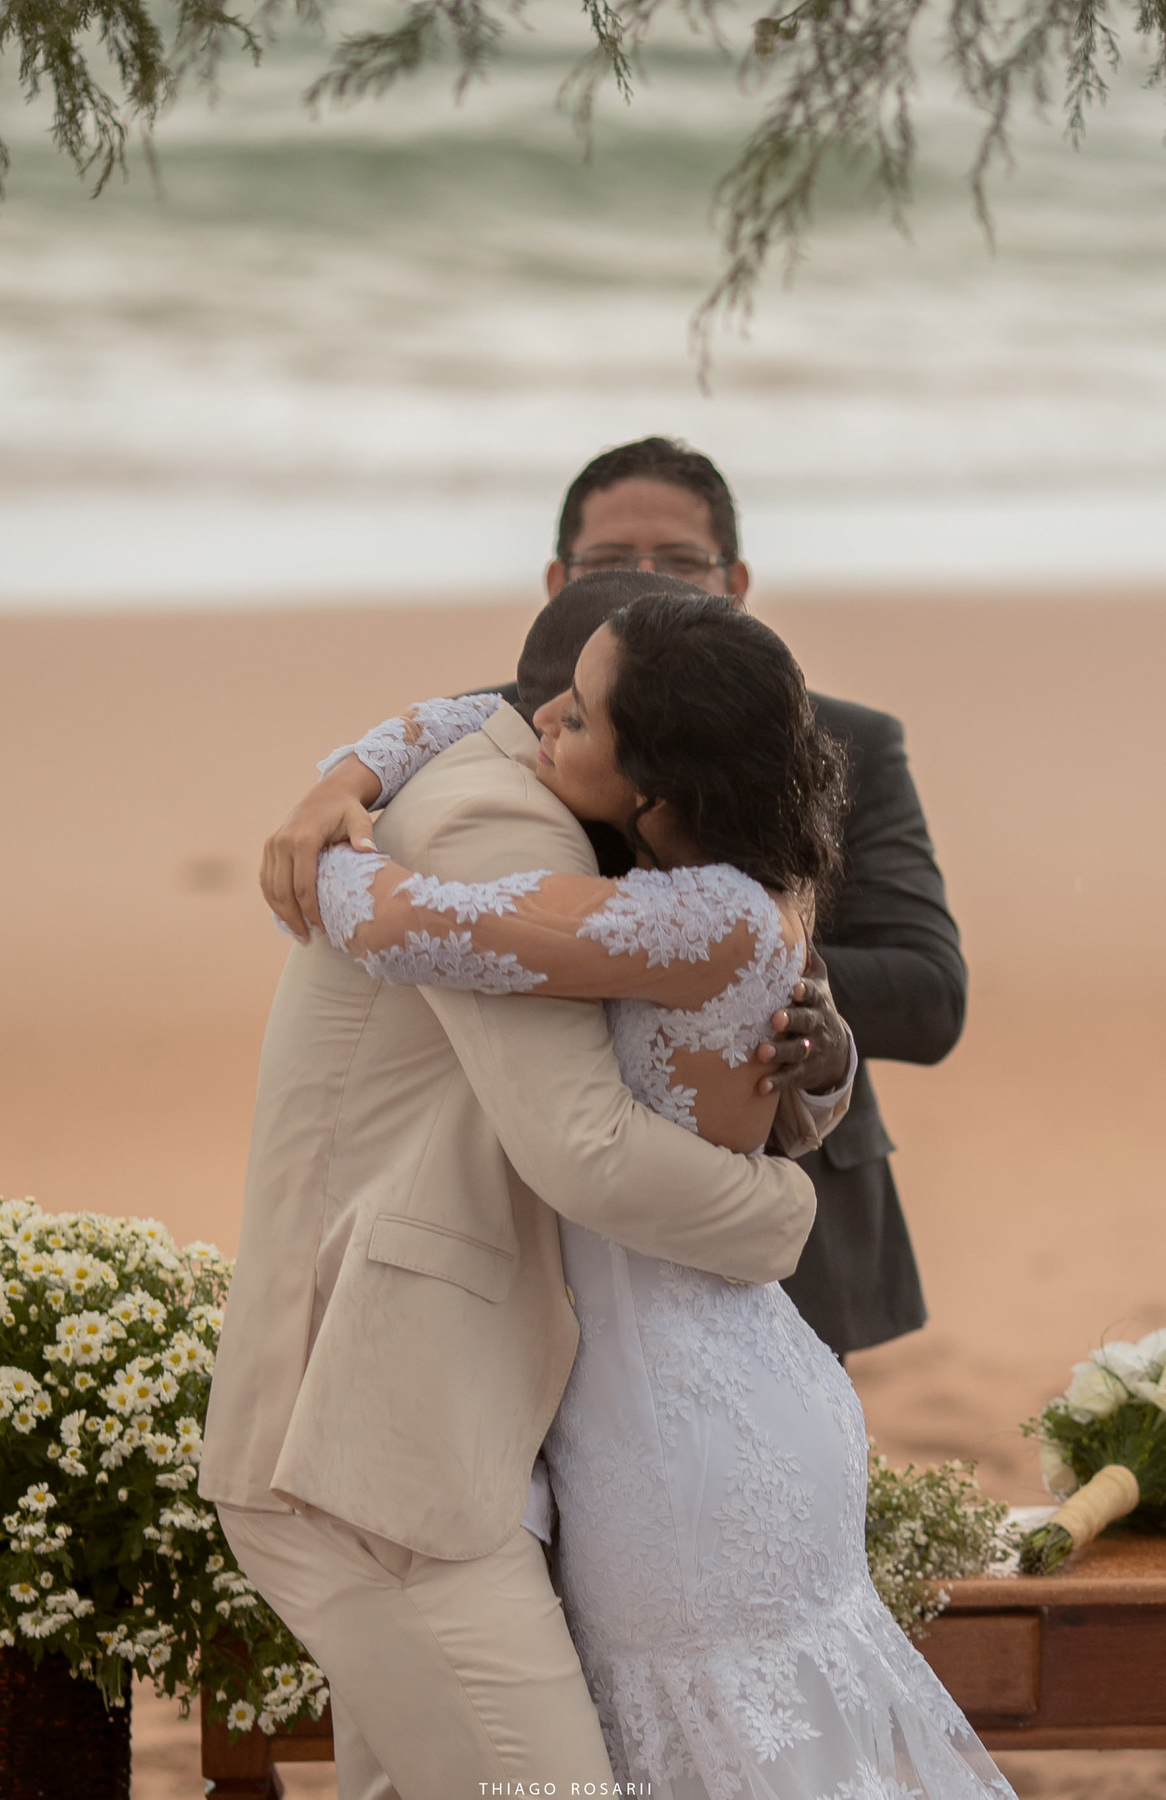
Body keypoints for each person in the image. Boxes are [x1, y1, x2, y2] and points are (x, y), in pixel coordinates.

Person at [305, 587, 1014, 1800]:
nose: (541, 721)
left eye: (579, 719)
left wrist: (321, 844)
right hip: (718, 1391)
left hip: (680, 1441)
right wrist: (350, 773)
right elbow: (491, 715)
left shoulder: (696, 917)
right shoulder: (747, 879)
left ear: (662, 791)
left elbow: (409, 927)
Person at [200, 575, 848, 1799]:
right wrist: (785, 1219)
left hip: (470, 1425)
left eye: (585, 713)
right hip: (381, 1440)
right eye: (562, 702)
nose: (552, 719)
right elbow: (585, 1146)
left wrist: (341, 792)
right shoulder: (500, 820)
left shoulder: (608, 841)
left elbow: (684, 1044)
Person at [270, 438, 965, 1358]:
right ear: (559, 582)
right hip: (546, 1226)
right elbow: (460, 717)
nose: (648, 581)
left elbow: (932, 994)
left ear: (734, 582)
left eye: (680, 560)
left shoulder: (841, 745)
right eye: (609, 563)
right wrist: (337, 784)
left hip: (775, 1200)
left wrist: (761, 985)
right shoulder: (536, 719)